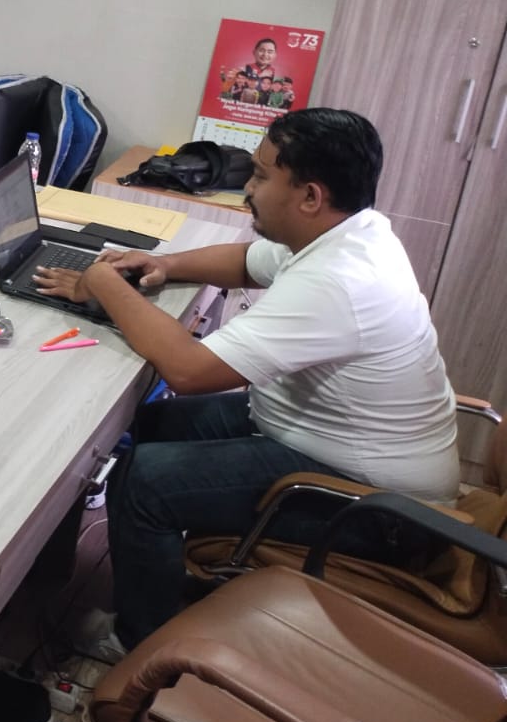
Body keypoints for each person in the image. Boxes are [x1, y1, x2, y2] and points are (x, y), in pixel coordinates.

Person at [33, 109, 457, 661]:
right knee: (151, 424)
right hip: (323, 444)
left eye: (260, 176)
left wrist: (104, 284)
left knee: (145, 483)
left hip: (381, 511)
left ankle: (138, 645)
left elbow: (188, 371)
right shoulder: (350, 232)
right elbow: (249, 260)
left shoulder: (340, 282)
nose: (248, 190)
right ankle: (108, 572)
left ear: (309, 196)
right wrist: (163, 264)